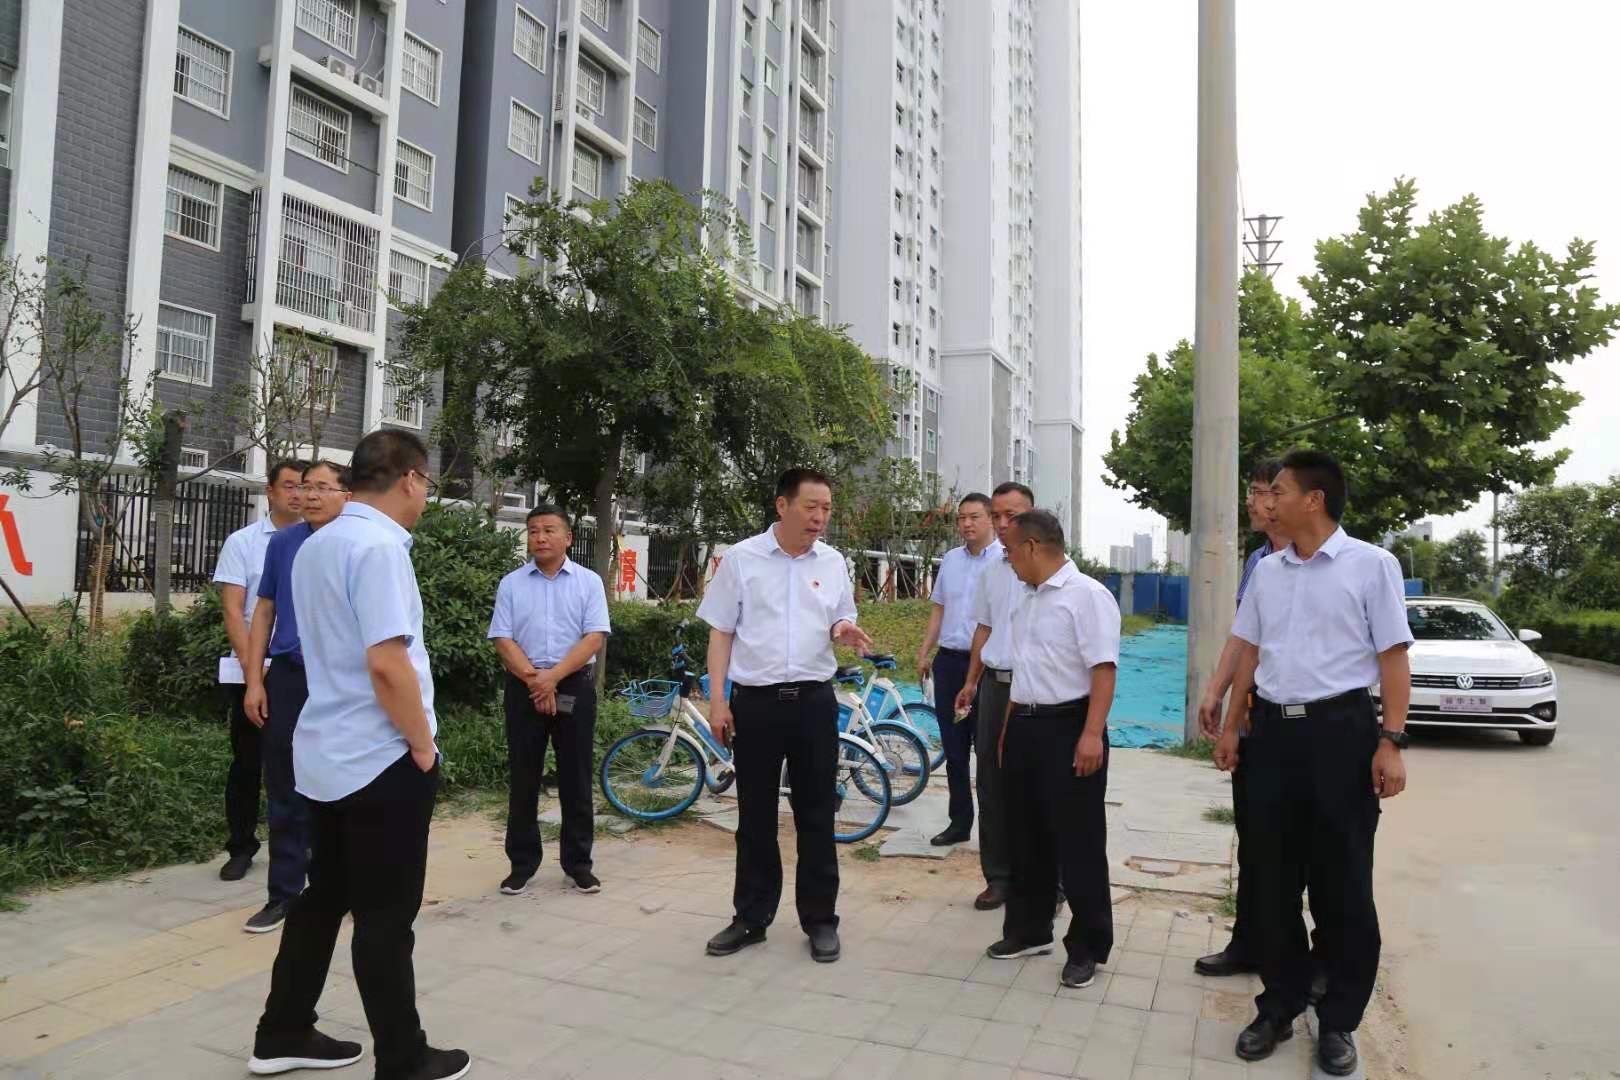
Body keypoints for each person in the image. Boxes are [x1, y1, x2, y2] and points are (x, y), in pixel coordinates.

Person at [249, 431, 470, 1080]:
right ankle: (402, 1058)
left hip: (327, 754)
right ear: (409, 479)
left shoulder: (318, 543)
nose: (425, 496)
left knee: (324, 898)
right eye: (427, 484)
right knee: (385, 917)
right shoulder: (377, 548)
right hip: (381, 759)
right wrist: (423, 747)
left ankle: (282, 1030)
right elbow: (386, 663)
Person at [1214, 448, 1412, 1077]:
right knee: (1270, 878)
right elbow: (1249, 648)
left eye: (1277, 491)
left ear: (1313, 499)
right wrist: (1232, 723)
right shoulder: (1268, 572)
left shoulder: (1371, 566)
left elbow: (1394, 657)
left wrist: (1391, 740)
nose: (1266, 501)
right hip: (1272, 734)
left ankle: (1339, 1020)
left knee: (1342, 882)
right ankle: (1279, 1004)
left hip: (1340, 735)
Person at [697, 468, 874, 964]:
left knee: (816, 814)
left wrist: (844, 629)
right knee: (755, 815)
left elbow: (840, 616)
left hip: (815, 702)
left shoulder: (833, 562)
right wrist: (718, 700)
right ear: (782, 506)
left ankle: (820, 920)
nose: (820, 518)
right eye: (810, 507)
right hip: (756, 704)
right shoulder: (742, 558)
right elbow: (720, 632)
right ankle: (751, 918)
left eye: (826, 509)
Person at [986, 509, 1120, 990]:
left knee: (1078, 841)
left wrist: (1091, 734)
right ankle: (1029, 929)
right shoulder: (1026, 598)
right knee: (1026, 836)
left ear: (1032, 547)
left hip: (1070, 726)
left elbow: (1103, 669)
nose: (1009, 561)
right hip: (1024, 724)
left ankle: (1087, 946)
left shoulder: (1087, 596)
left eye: (1010, 552)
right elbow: (1023, 672)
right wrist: (1007, 731)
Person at [237, 461, 351, 934]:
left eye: (323, 487)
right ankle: (284, 894)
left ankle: (339, 886)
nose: (310, 495)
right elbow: (263, 611)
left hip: (342, 678)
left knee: (342, 783)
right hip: (289, 675)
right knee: (283, 782)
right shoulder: (284, 543)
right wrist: (254, 680)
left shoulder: (357, 544)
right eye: (306, 486)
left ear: (347, 495)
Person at [1192, 458, 1288, 976]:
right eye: (1250, 491)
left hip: (1307, 724)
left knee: (1301, 849)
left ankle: (1306, 958)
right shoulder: (1259, 562)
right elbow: (1243, 636)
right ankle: (1248, 942)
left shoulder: (1339, 562)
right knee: (1253, 837)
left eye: (1258, 491)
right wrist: (1217, 693)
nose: (1250, 501)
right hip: (1256, 719)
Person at [488, 505, 611, 897]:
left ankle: (579, 865)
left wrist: (553, 679)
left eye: (549, 530)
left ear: (568, 538)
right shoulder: (511, 584)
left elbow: (594, 637)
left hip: (573, 685)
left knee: (577, 776)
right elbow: (502, 638)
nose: (540, 537)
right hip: (524, 685)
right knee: (524, 777)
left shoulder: (589, 582)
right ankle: (522, 865)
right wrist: (535, 681)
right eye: (533, 531)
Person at [212, 460, 305, 883]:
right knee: (248, 761)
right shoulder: (244, 542)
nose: (298, 494)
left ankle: (303, 844)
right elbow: (235, 611)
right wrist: (254, 670)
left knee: (301, 761)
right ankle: (241, 845)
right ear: (270, 491)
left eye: (304, 486)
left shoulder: (319, 540)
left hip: (299, 666)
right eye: (289, 486)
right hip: (252, 663)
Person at [953, 481, 1035, 910]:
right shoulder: (992, 572)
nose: (1003, 524)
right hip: (995, 689)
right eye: (997, 516)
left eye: (1012, 516)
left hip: (1036, 691)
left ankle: (1047, 882)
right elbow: (984, 629)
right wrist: (971, 682)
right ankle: (998, 877)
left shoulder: (1054, 570)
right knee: (990, 782)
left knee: (1037, 785)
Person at [916, 493, 998, 848]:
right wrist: (925, 652)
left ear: (991, 518)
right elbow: (939, 609)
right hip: (949, 664)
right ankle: (959, 822)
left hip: (988, 668)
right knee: (954, 750)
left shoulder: (1005, 561)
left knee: (990, 753)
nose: (966, 524)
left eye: (974, 517)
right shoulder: (950, 560)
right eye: (961, 517)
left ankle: (996, 831)